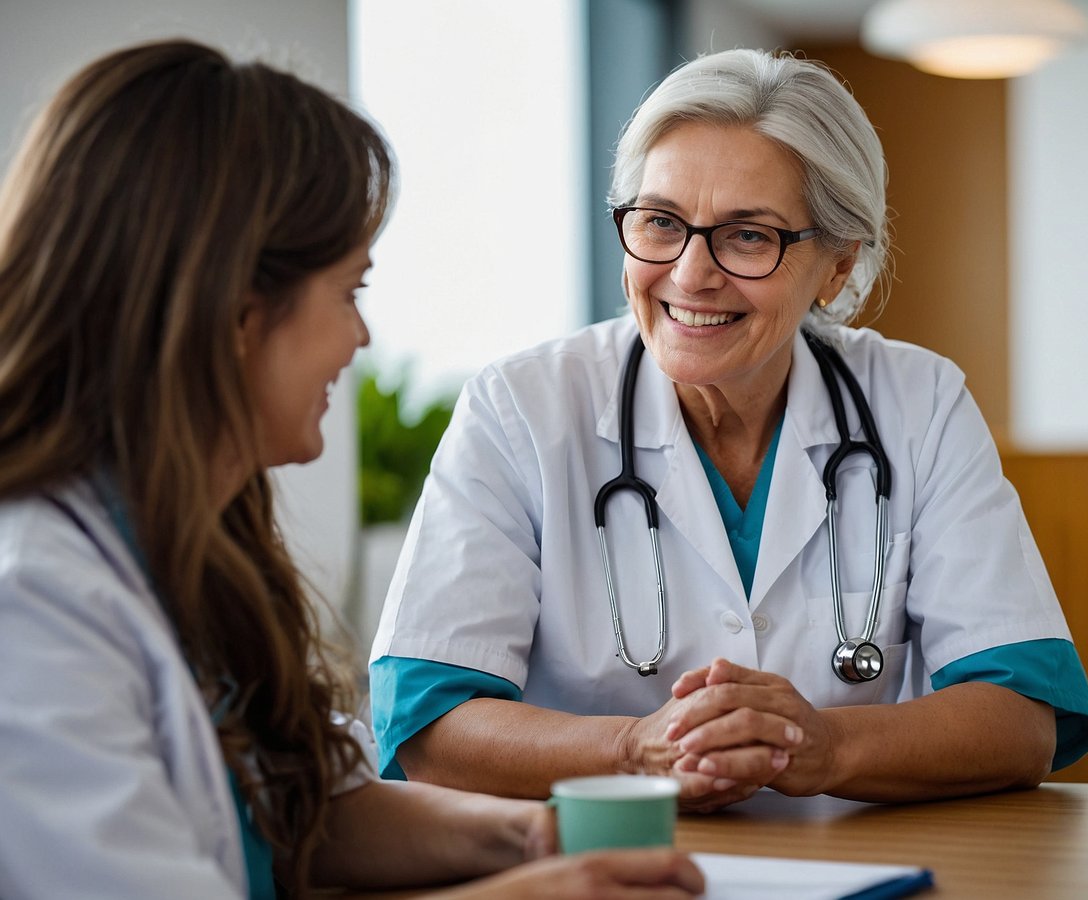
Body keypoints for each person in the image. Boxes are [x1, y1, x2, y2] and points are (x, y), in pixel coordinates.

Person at [0, 40, 705, 900]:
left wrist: (530, 836)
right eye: (349, 292)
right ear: (233, 311)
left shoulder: (178, 542)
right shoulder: (29, 596)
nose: (358, 340)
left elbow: (304, 812)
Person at [369, 48, 1088, 813]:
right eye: (659, 222)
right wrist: (632, 751)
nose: (690, 274)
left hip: (857, 868)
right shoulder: (520, 409)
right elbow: (425, 726)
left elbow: (1025, 720)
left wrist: (824, 745)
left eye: (748, 236)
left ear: (838, 266)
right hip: (602, 872)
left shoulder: (919, 403)